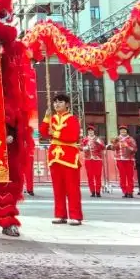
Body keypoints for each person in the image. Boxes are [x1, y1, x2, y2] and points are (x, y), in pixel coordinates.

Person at [40, 94, 82, 225]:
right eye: (55, 102)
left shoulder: (73, 119)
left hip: (69, 157)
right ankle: (60, 214)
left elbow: (73, 136)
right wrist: (46, 118)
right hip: (54, 157)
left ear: (67, 104)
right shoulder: (52, 118)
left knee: (72, 188)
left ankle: (75, 215)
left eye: (60, 102)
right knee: (57, 188)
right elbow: (44, 133)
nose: (57, 104)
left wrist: (56, 134)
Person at [111, 126, 137, 198]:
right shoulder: (117, 139)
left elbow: (134, 149)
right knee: (122, 176)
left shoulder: (131, 139)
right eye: (121, 130)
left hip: (129, 160)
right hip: (119, 159)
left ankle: (130, 191)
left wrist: (127, 146)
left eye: (124, 130)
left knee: (129, 176)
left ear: (126, 131)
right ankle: (125, 191)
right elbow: (113, 149)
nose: (123, 131)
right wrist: (114, 143)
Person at [80, 126, 105, 198]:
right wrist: (84, 148)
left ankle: (98, 191)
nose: (90, 132)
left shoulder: (98, 139)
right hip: (88, 159)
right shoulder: (85, 139)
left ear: (94, 132)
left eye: (92, 131)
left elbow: (103, 147)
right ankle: (92, 191)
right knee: (90, 176)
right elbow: (81, 147)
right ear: (88, 132)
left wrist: (98, 143)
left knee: (98, 176)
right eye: (89, 131)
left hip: (97, 159)